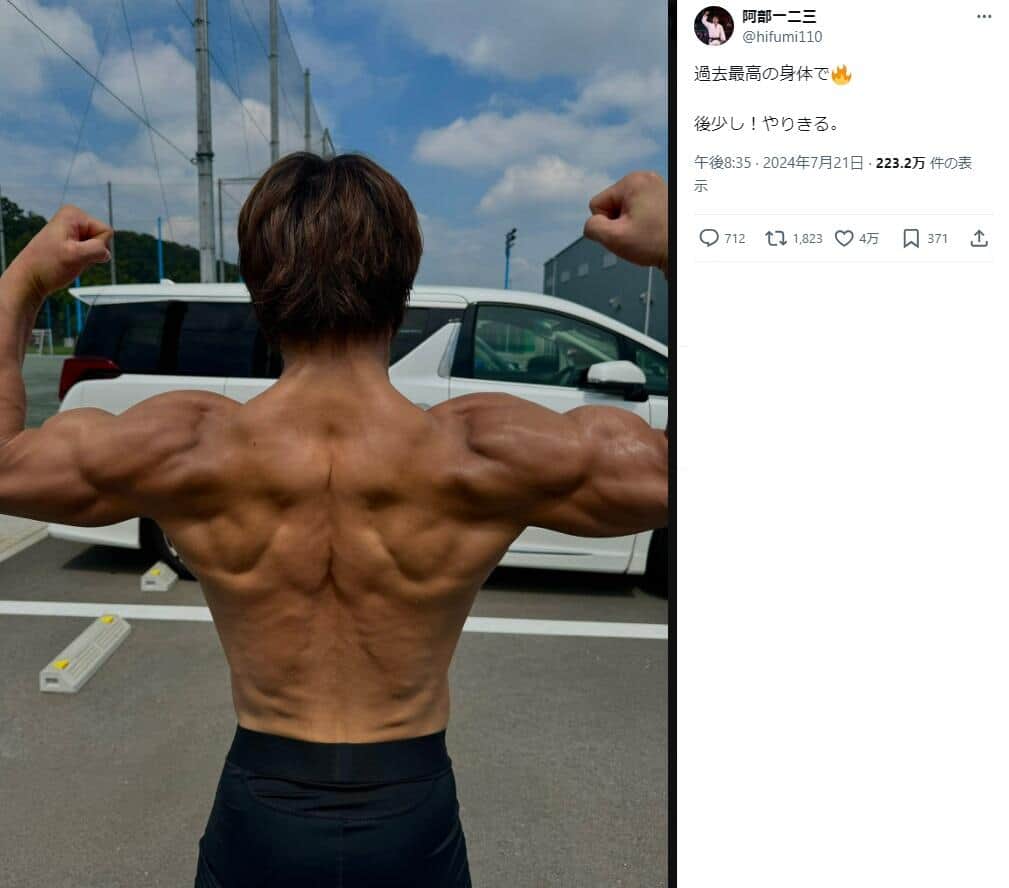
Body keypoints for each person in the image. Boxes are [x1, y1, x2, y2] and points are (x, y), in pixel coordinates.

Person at [0, 157, 668, 887]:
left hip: (263, 814)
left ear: (258, 287)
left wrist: (25, 282)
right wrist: (679, 251)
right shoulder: (483, 449)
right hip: (409, 816)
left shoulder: (190, 445)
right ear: (403, 284)